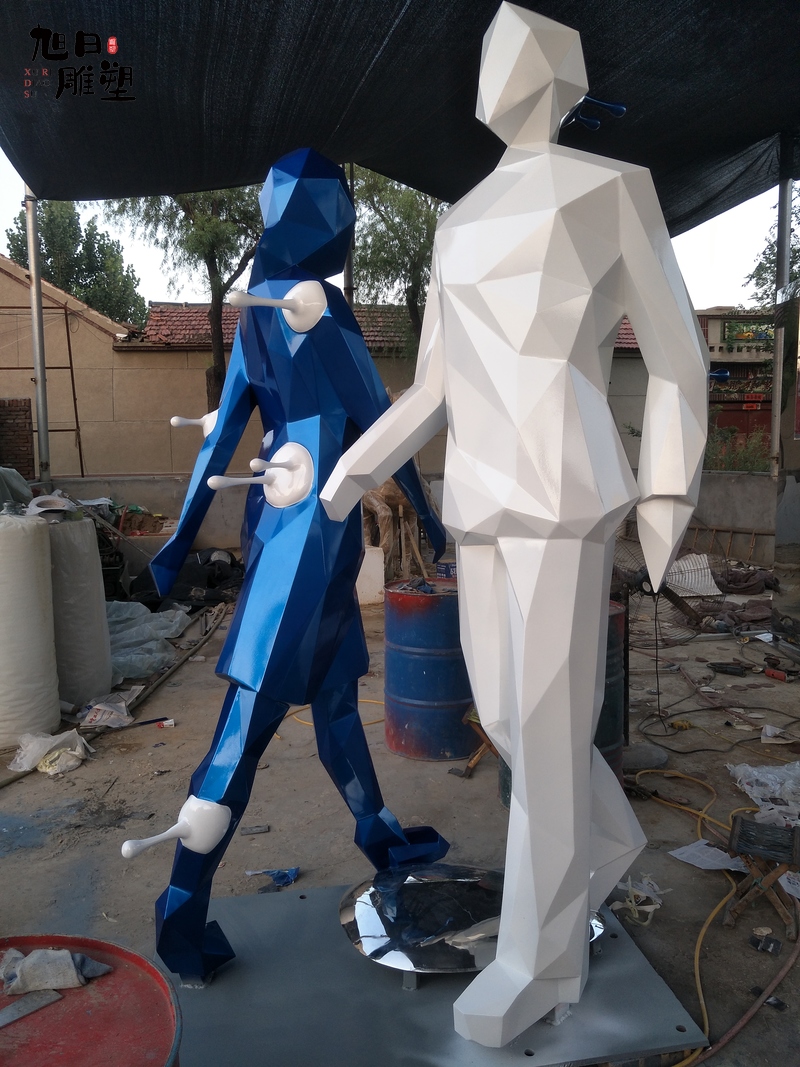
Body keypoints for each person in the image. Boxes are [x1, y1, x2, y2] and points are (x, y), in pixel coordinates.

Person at [322, 3, 708, 1047]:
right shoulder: (458, 222)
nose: (505, 62)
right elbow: (434, 386)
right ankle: (605, 840)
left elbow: (676, 354)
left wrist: (667, 492)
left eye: (524, 46)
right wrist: (356, 464)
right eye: (494, 52)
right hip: (481, 496)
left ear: (565, 74)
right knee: (506, 714)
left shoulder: (612, 189)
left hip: (564, 489)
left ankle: (541, 963)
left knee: (542, 728)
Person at [122, 147, 448, 982]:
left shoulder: (259, 315)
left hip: (289, 528)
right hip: (312, 538)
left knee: (335, 699)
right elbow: (382, 421)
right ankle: (179, 905)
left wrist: (177, 541)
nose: (346, 224)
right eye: (339, 208)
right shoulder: (321, 311)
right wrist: (426, 509)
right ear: (323, 218)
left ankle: (381, 837)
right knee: (248, 722)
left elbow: (221, 437)